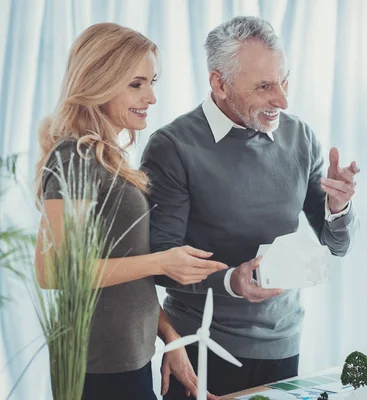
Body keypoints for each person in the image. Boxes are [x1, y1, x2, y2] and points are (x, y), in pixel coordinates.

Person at [140, 16, 359, 397]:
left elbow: (337, 245)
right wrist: (230, 282)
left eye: (284, 80)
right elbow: (159, 263)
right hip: (200, 346)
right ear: (219, 83)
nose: (283, 99)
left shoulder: (300, 136)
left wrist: (338, 208)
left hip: (283, 345)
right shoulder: (172, 147)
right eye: (264, 86)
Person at [34, 23, 227, 400]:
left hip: (130, 359)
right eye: (137, 84)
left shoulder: (107, 160)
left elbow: (122, 266)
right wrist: (161, 262)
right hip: (100, 368)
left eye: (152, 81)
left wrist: (170, 337)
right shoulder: (75, 157)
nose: (152, 97)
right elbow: (53, 269)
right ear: (99, 81)